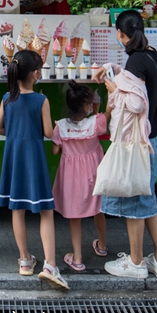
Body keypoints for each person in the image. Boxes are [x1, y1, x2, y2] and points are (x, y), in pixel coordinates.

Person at [92, 10, 157, 281]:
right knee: (148, 199)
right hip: (151, 138)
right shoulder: (152, 55)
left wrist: (114, 91)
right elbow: (141, 85)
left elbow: (135, 103)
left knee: (136, 202)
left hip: (136, 144)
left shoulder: (136, 60)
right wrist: (114, 69)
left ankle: (136, 262)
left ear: (119, 33)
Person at [0, 49, 68, 290]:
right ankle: (50, 265)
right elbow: (48, 132)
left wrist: (15, 133)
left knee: (17, 209)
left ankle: (25, 260)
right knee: (46, 210)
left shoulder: (7, 98)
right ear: (35, 74)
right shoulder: (41, 100)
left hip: (14, 157)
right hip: (34, 158)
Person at [52, 80, 109, 273]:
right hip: (94, 174)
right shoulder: (96, 122)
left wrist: (63, 146)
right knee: (98, 209)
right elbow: (108, 113)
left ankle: (77, 259)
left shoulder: (61, 127)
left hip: (71, 179)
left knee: (74, 216)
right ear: (87, 106)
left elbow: (54, 151)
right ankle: (102, 245)